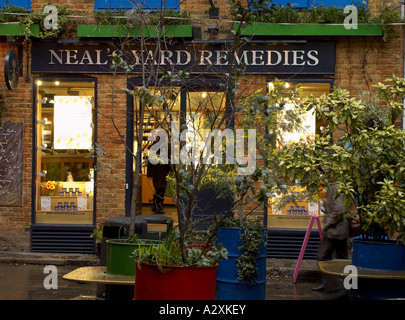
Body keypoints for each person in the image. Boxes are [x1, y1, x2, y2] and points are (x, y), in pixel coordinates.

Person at [312, 183, 350, 292]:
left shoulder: (337, 186)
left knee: (322, 255)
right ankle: (347, 286)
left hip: (335, 230)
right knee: (342, 258)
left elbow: (339, 210)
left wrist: (328, 223)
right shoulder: (339, 185)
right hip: (340, 229)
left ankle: (332, 284)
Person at [147, 135, 171, 214]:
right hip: (163, 171)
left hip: (156, 172)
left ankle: (156, 205)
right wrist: (170, 170)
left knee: (158, 189)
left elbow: (150, 162)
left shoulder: (153, 147)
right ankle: (158, 206)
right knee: (161, 189)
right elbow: (169, 159)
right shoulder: (166, 147)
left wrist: (149, 174)